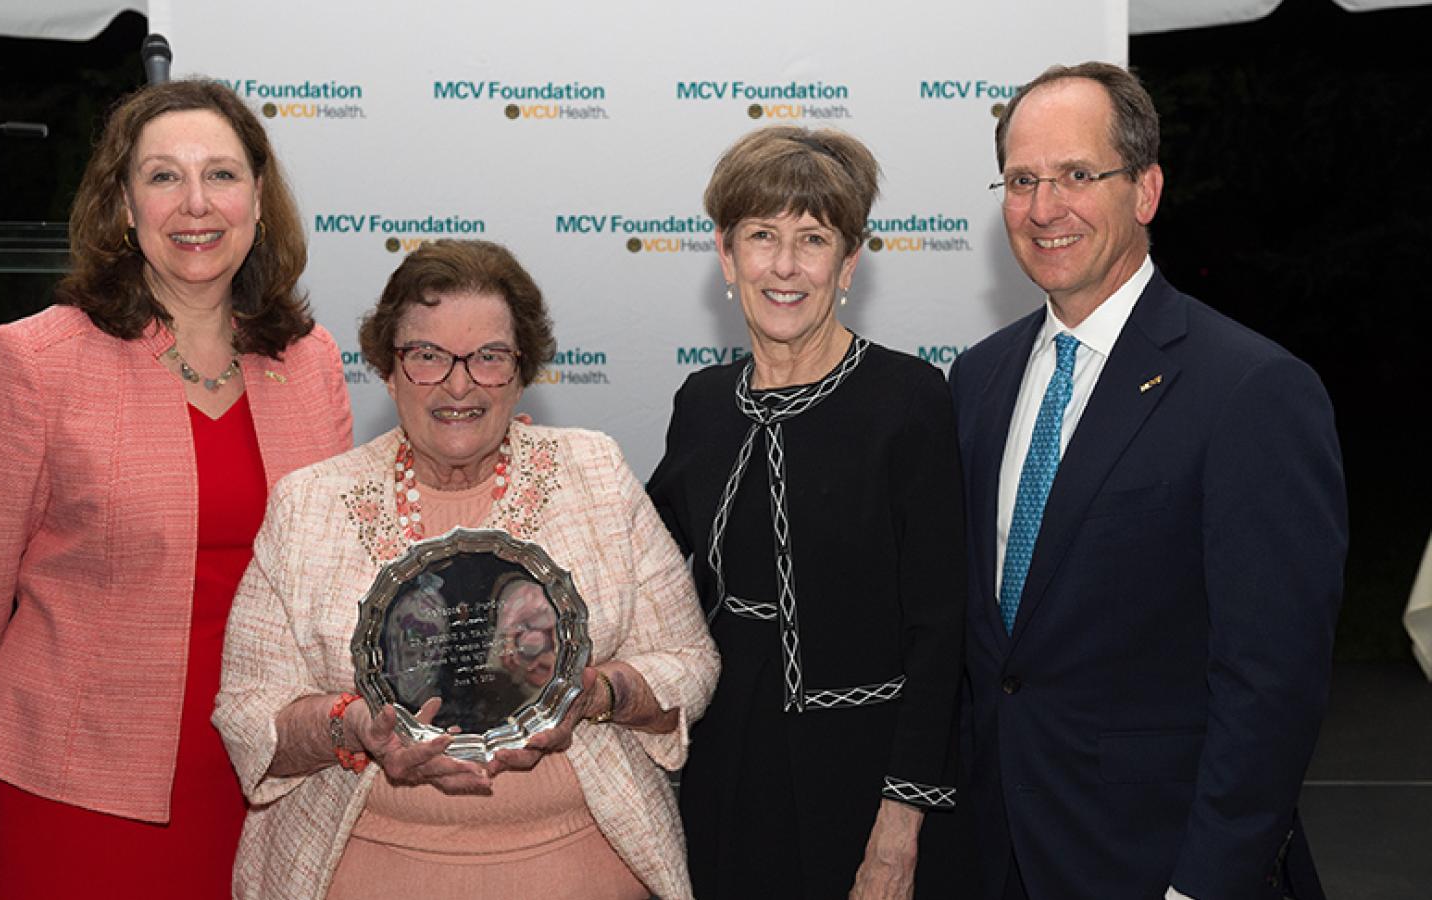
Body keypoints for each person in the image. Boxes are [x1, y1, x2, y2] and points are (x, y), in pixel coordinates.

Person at [0, 79, 354, 899]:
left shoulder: (311, 360)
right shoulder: (38, 359)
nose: (196, 203)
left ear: (259, 200)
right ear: (123, 204)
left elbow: (339, 567)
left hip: (272, 765)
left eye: (221, 175)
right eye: (163, 177)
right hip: (77, 776)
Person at [212, 239, 720, 900]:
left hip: (578, 869)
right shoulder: (310, 504)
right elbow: (249, 714)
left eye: (488, 357)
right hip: (374, 872)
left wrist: (597, 692)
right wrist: (354, 727)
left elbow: (689, 661)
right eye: (427, 356)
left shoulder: (595, 473)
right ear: (389, 371)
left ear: (521, 370)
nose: (459, 384)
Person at [949, 62, 1347, 899]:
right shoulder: (977, 380)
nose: (1044, 208)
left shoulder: (1250, 390)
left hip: (1159, 867)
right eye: (1022, 180)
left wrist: (1203, 885)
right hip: (995, 858)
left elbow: (1271, 682)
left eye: (1076, 176)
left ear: (1146, 190)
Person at [646, 126, 968, 899]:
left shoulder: (909, 401)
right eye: (762, 236)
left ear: (848, 264)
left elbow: (941, 631)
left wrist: (901, 823)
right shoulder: (701, 404)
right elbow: (637, 558)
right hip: (726, 765)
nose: (784, 266)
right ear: (726, 256)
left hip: (867, 779)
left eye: (812, 239)